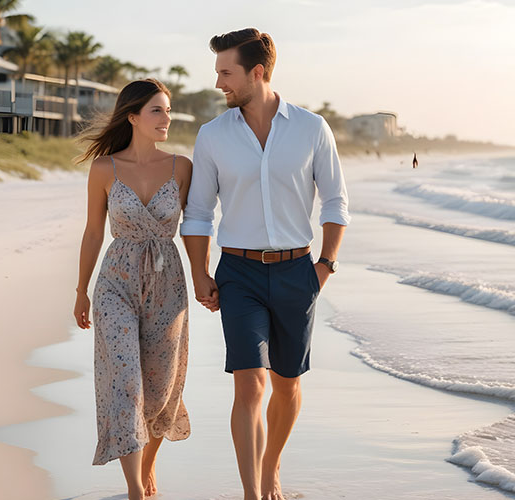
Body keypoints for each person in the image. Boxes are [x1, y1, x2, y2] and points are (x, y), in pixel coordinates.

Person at [181, 29, 350, 500]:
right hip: (239, 274)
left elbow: (336, 202)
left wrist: (325, 266)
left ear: (258, 72)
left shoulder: (312, 128)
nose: (219, 83)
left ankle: (271, 465)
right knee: (250, 383)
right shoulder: (213, 135)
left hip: (299, 272)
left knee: (287, 384)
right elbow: (198, 212)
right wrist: (201, 272)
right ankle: (252, 493)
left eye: (226, 72)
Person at [73, 79, 192, 500]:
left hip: (168, 283)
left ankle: (149, 464)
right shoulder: (105, 168)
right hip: (116, 283)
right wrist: (80, 291)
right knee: (125, 379)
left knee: (160, 387)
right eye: (157, 110)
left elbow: (198, 228)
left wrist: (205, 275)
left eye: (168, 110)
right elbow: (92, 232)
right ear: (133, 117)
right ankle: (134, 490)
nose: (167, 118)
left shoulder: (182, 167)